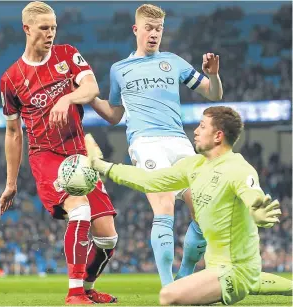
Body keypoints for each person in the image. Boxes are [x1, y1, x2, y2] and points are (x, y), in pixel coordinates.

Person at [85, 106, 292, 305]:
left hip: (234, 270)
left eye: (202, 126)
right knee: (248, 279)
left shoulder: (238, 169)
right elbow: (149, 180)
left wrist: (258, 214)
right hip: (218, 268)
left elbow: (253, 196)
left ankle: (242, 282)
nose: (195, 131)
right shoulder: (194, 165)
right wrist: (103, 166)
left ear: (218, 136)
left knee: (168, 295)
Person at [89, 3, 222, 287]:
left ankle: (185, 273)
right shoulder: (119, 70)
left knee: (203, 210)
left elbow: (213, 94)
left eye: (159, 29)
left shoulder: (173, 62)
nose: (154, 34)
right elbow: (114, 115)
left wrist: (213, 74)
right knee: (164, 207)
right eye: (148, 28)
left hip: (180, 143)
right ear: (136, 30)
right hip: (145, 142)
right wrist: (89, 98)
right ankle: (167, 286)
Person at [0, 1, 117, 304]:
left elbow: (90, 88)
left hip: (79, 153)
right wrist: (11, 183)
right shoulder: (11, 79)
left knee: (107, 238)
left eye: (53, 27)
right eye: (44, 28)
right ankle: (74, 293)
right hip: (46, 156)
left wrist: (68, 99)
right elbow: (13, 133)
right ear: (27, 29)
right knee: (78, 209)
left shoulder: (67, 54)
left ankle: (88, 288)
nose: (50, 33)